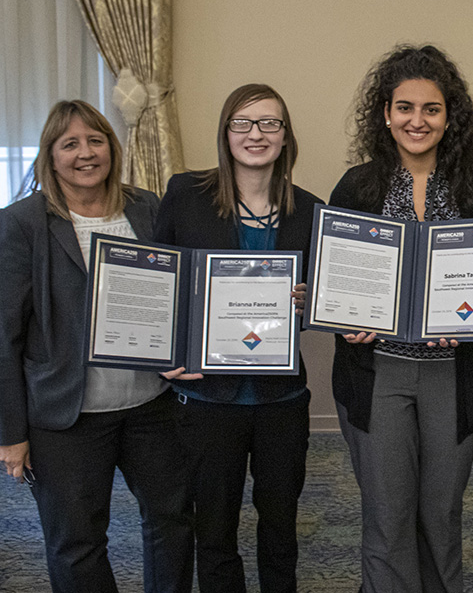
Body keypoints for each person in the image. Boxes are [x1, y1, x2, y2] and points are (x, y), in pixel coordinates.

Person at [0, 100, 194, 593]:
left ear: (111, 149)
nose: (85, 153)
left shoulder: (147, 207)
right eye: (69, 143)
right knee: (77, 541)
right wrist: (8, 432)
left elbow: (179, 293)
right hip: (66, 416)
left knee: (174, 521)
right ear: (50, 157)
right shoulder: (21, 223)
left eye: (95, 140)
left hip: (151, 406)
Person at [329, 44, 473, 593]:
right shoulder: (357, 188)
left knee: (441, 518)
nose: (417, 121)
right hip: (376, 372)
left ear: (450, 117)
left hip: (452, 375)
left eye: (431, 109)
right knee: (388, 518)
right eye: (405, 107)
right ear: (385, 113)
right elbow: (336, 283)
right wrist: (343, 317)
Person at [152, 83, 321, 593]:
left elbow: (324, 303)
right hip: (208, 398)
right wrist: (164, 354)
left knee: (280, 526)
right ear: (225, 134)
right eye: (243, 123)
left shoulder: (311, 209)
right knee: (215, 530)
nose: (256, 134)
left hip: (281, 400)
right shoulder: (187, 195)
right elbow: (163, 285)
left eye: (270, 123)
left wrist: (311, 302)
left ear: (286, 136)